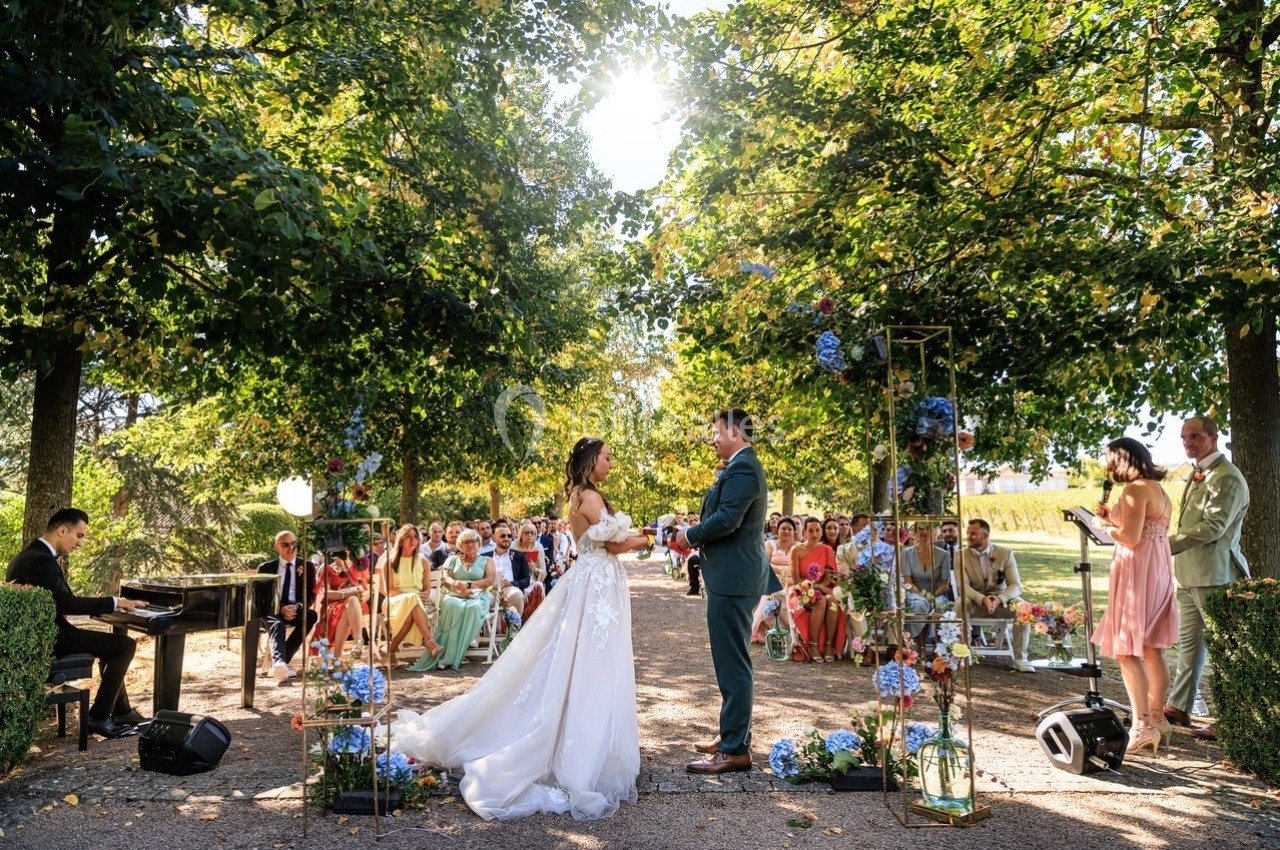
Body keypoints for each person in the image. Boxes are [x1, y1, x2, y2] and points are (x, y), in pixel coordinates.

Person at [392, 437, 648, 819]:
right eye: (607, 457)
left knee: (577, 661)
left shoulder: (579, 496)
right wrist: (648, 538)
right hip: (597, 586)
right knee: (593, 663)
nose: (611, 463)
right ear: (592, 460)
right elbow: (614, 545)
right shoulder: (591, 499)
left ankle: (580, 738)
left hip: (592, 583)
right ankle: (578, 752)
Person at [676, 408, 779, 774]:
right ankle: (732, 733)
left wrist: (689, 535)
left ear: (734, 430)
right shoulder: (738, 466)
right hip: (731, 576)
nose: (713, 438)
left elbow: (726, 520)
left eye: (717, 431)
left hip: (736, 579)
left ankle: (735, 749)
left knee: (733, 663)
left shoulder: (745, 467)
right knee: (729, 660)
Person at [6, 508, 146, 738]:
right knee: (125, 645)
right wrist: (114, 602)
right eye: (79, 536)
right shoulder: (41, 561)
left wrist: (111, 604)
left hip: (42, 634)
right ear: (62, 530)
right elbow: (66, 604)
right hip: (52, 639)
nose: (80, 543)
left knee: (113, 646)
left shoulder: (27, 556)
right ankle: (99, 717)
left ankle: (121, 711)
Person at [1163, 416, 1250, 742]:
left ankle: (1230, 719)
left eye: (1195, 436)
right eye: (1184, 437)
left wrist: (1165, 545)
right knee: (1191, 644)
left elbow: (1214, 528)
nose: (1188, 442)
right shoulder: (1199, 473)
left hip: (1215, 574)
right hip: (1188, 573)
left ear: (1214, 437)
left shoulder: (1227, 478)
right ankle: (1180, 706)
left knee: (1224, 649)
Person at [1092, 438, 1178, 755]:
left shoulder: (1134, 489)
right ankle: (1157, 719)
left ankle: (1141, 725)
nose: (1107, 465)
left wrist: (1102, 524)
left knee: (1127, 652)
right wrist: (1113, 516)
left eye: (1109, 459)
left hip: (1136, 572)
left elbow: (1129, 537)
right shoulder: (1157, 489)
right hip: (1157, 571)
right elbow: (1143, 527)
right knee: (1152, 647)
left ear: (1121, 459)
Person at [408, 529, 496, 671]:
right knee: (451, 604)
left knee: (473, 608)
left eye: (473, 541)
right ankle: (445, 653)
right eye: (466, 542)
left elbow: (489, 580)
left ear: (478, 543)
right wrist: (456, 586)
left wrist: (467, 585)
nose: (470, 544)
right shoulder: (452, 560)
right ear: (461, 545)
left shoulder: (487, 560)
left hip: (477, 595)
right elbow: (446, 578)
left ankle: (451, 657)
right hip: (455, 594)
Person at [958, 519, 1034, 672]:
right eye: (967, 533)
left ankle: (1020, 659)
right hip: (975, 602)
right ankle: (965, 654)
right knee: (960, 604)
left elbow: (1015, 585)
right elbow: (963, 586)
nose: (968, 536)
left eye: (973, 533)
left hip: (1001, 601)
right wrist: (982, 599)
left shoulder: (1005, 553)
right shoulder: (960, 555)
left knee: (1023, 608)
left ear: (985, 536)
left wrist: (1001, 599)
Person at [258, 530, 319, 685]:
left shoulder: (308, 566)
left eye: (293, 543)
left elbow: (311, 595)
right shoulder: (266, 568)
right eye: (285, 544)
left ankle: (280, 664)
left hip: (295, 608)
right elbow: (262, 596)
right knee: (277, 624)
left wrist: (297, 606)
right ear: (276, 547)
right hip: (272, 610)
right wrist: (280, 608)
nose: (290, 547)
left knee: (311, 616)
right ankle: (279, 663)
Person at [381, 525, 444, 665]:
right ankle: (430, 641)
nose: (412, 540)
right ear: (401, 540)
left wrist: (422, 595)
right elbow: (389, 589)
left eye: (415, 537)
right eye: (408, 536)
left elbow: (427, 589)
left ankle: (390, 650)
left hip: (416, 601)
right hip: (394, 600)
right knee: (412, 598)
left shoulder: (423, 561)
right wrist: (412, 596)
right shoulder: (389, 562)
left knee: (412, 607)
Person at [788, 517, 843, 662]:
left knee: (832, 601)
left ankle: (829, 645)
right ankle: (813, 645)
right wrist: (810, 586)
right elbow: (795, 580)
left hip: (822, 589)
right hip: (801, 591)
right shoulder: (796, 550)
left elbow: (830, 576)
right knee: (821, 601)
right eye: (811, 530)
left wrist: (819, 586)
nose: (814, 534)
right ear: (805, 532)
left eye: (817, 530)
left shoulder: (826, 549)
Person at [313, 554, 370, 658]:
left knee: (352, 602)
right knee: (347, 608)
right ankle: (357, 641)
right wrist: (346, 594)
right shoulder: (328, 569)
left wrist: (363, 594)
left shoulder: (358, 567)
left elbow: (367, 590)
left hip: (358, 607)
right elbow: (325, 593)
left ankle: (338, 656)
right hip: (335, 605)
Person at [751, 516, 796, 642]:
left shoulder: (798, 547)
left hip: (791, 582)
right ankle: (762, 628)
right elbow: (763, 563)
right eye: (783, 529)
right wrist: (780, 570)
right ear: (777, 530)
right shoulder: (770, 544)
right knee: (767, 596)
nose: (786, 532)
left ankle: (791, 629)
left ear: (794, 531)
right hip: (771, 579)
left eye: (789, 529)